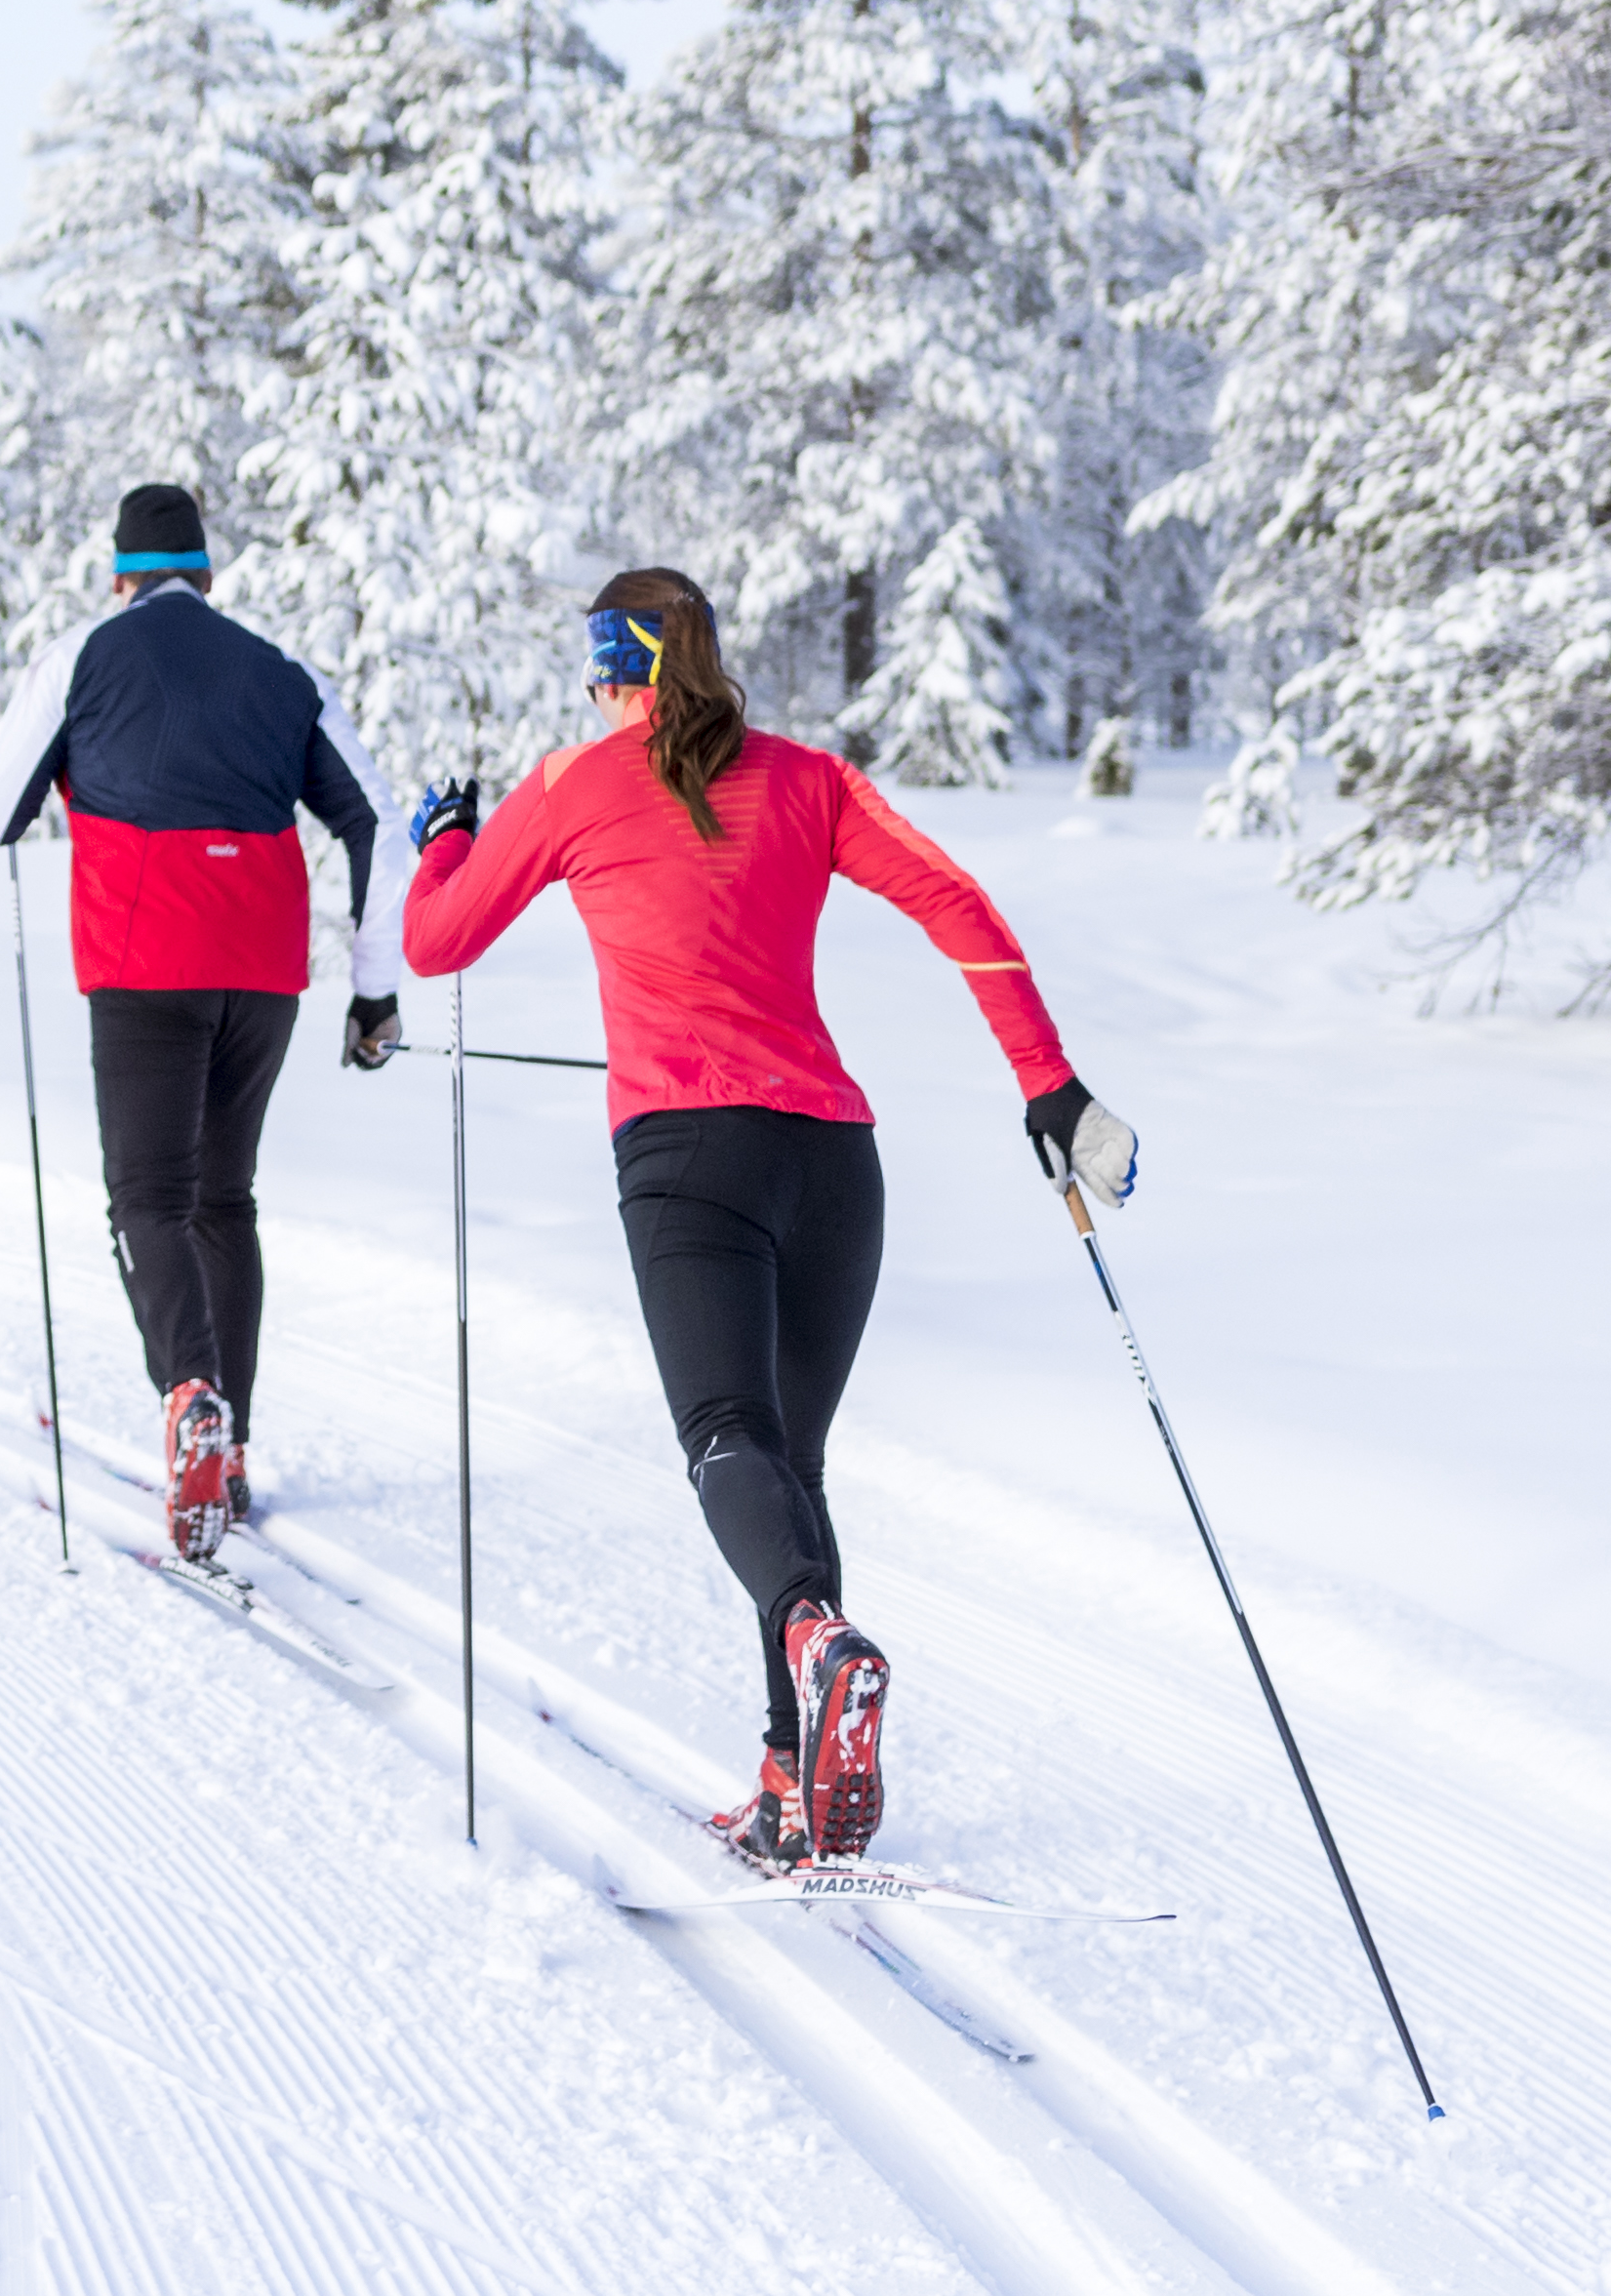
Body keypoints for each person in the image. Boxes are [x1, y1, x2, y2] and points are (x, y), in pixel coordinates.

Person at [395, 565, 1141, 1869]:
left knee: (725, 1443)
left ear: (612, 675)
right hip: (835, 1164)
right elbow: (957, 905)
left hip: (689, 1155)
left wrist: (443, 845)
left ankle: (813, 1636)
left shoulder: (572, 786)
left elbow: (439, 943)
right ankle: (792, 1778)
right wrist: (1051, 1084)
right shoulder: (807, 780)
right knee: (792, 1465)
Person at [0, 482, 407, 1565]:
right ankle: (233, 1442)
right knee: (225, 1199)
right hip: (261, 971)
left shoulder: (83, 656)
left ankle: (190, 1397)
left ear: (119, 574)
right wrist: (373, 986)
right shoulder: (281, 671)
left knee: (147, 1200)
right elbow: (379, 824)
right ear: (208, 571)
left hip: (140, 960)